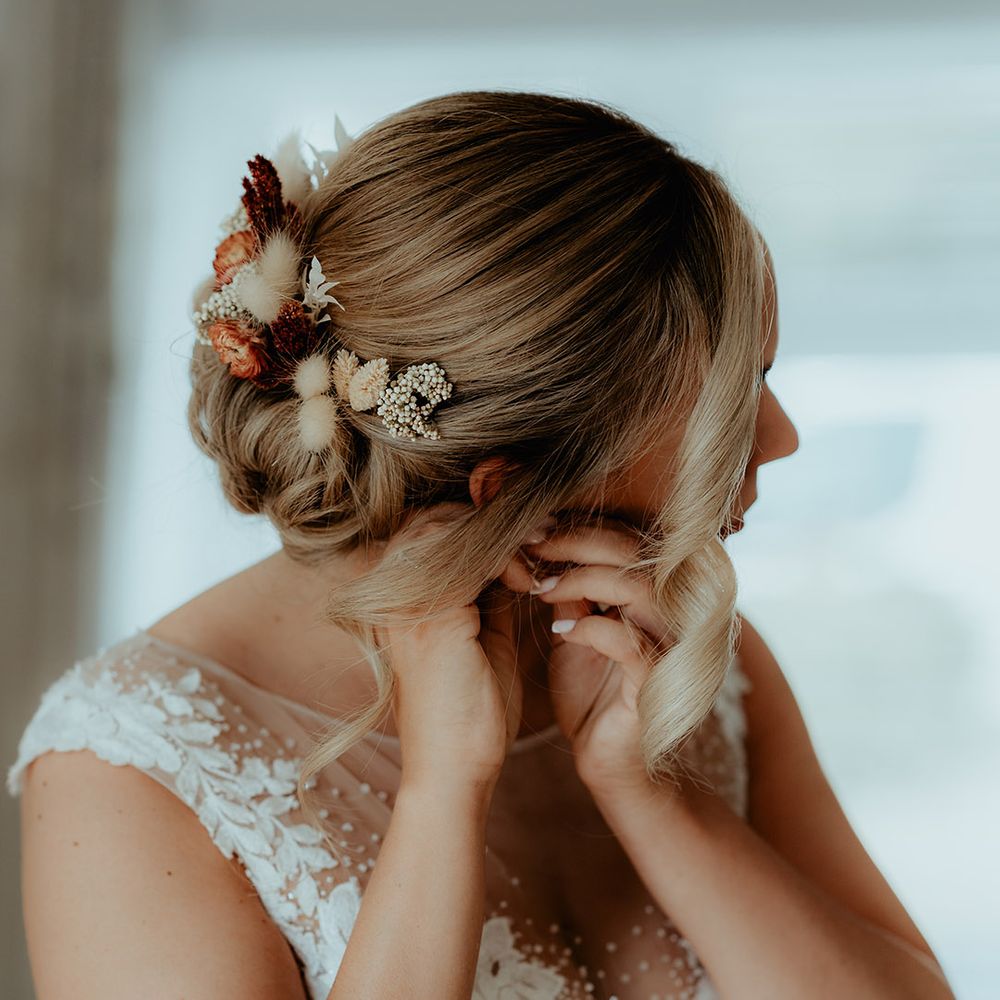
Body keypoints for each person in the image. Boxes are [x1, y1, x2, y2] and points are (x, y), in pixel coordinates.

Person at [7, 91, 953, 1000]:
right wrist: (440, 798)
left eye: (767, 377)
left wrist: (651, 795)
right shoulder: (133, 767)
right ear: (512, 495)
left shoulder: (689, 652)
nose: (783, 438)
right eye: (731, 410)